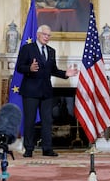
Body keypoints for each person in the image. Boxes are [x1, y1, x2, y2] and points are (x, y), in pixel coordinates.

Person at [16, 25, 78, 157]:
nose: (47, 37)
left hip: (46, 92)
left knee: (47, 121)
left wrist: (66, 73)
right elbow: (19, 67)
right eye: (45, 34)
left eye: (49, 35)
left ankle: (47, 149)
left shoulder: (51, 51)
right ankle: (28, 149)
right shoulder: (27, 48)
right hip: (30, 91)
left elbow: (53, 70)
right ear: (38, 34)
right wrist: (29, 68)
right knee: (30, 121)